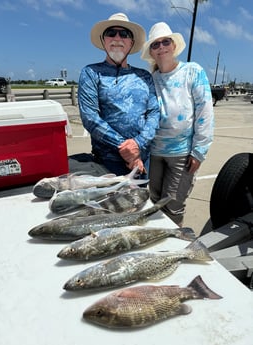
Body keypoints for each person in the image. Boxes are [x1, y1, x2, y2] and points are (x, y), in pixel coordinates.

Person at [141, 22, 214, 226]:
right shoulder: (151, 79)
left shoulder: (193, 71)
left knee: (173, 206)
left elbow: (205, 111)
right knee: (154, 201)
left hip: (182, 153)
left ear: (174, 46)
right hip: (154, 152)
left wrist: (199, 150)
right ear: (152, 52)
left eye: (166, 42)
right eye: (155, 45)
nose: (161, 47)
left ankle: (172, 250)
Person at [78, 13, 160, 178]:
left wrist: (138, 144)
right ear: (104, 40)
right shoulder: (91, 72)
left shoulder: (144, 76)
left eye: (124, 34)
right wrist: (125, 149)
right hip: (107, 164)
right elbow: (90, 117)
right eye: (111, 33)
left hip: (143, 160)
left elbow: (154, 113)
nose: (117, 38)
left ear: (131, 42)